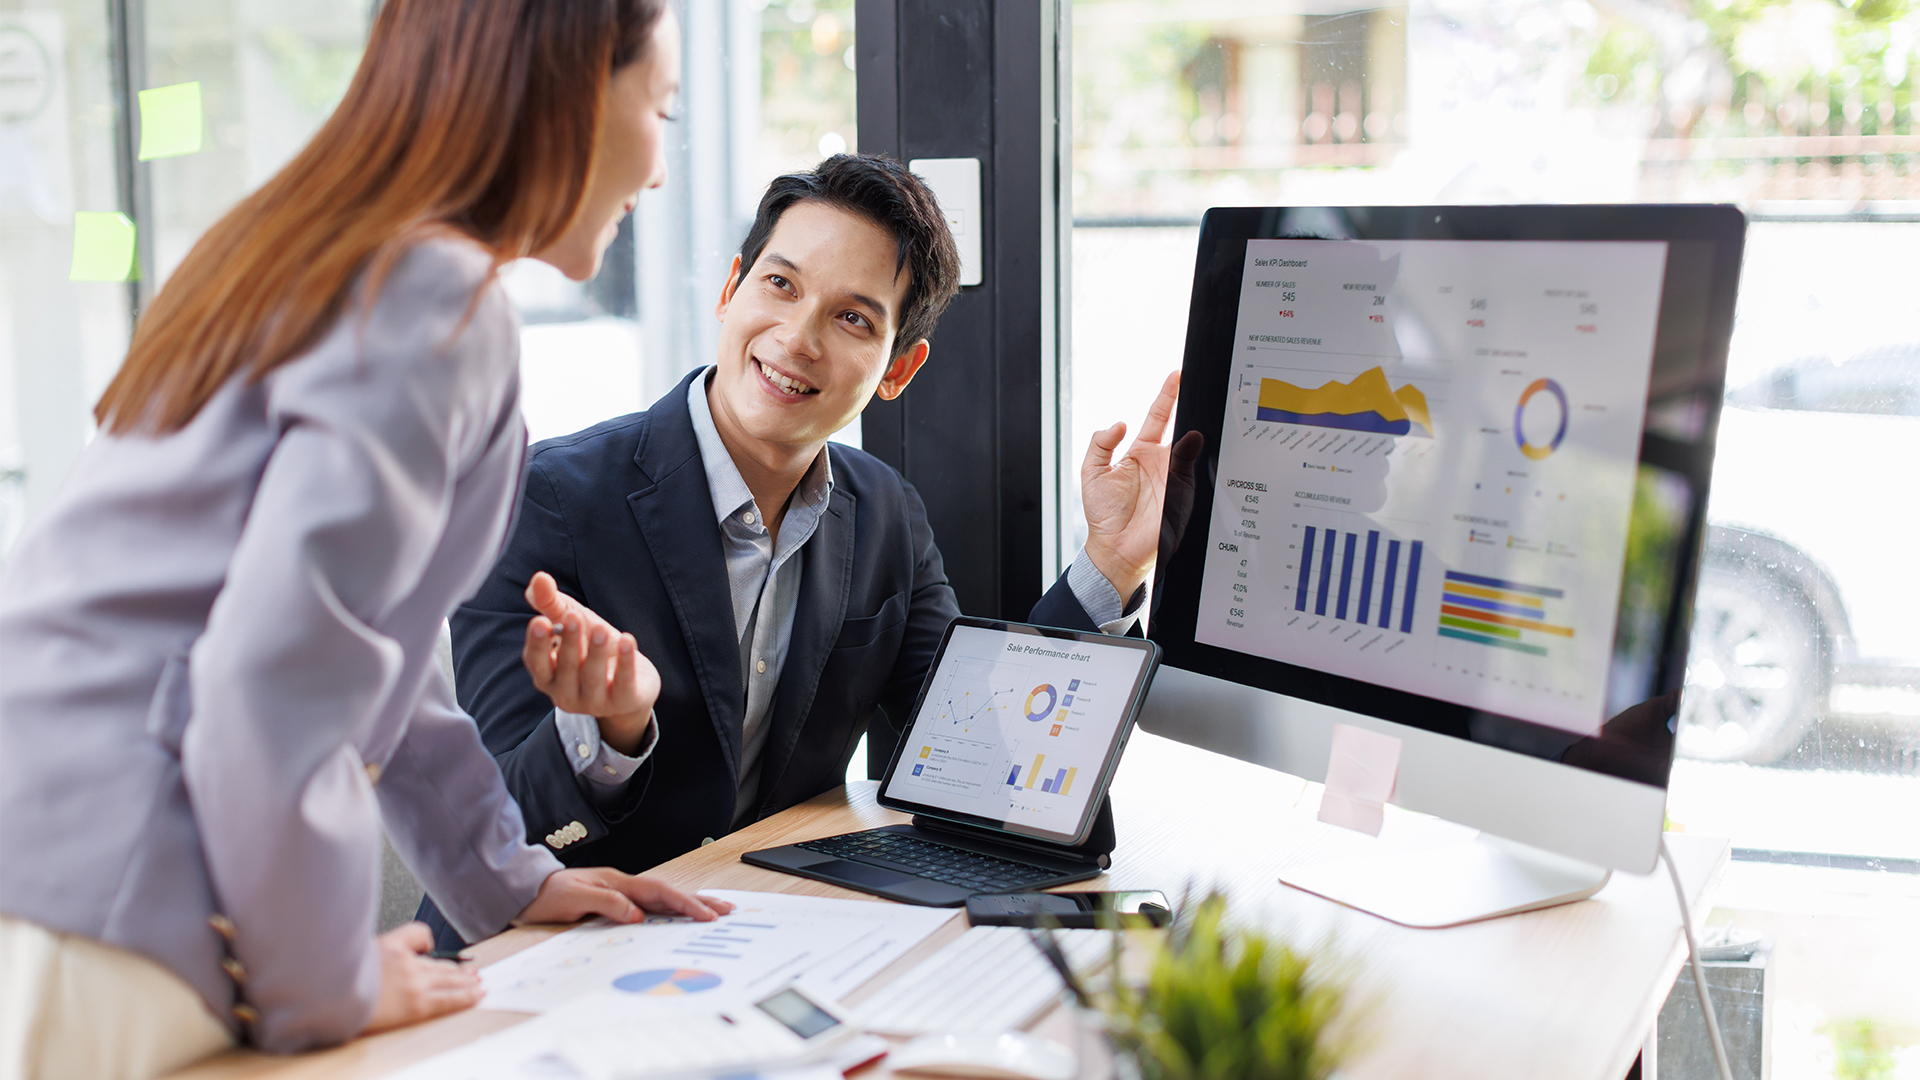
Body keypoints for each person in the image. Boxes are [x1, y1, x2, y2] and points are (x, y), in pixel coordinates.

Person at [0, 1, 736, 1074]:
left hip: (55, 852)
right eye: (661, 110)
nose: (661, 169)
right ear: (575, 91)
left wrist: (508, 876)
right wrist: (326, 981)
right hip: (121, 884)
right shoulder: (435, 302)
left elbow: (368, 665)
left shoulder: (312, 253)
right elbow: (275, 677)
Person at [418, 153, 1197, 948]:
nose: (797, 338)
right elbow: (486, 825)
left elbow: (980, 759)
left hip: (742, 938)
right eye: (780, 285)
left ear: (899, 368)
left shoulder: (886, 512)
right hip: (530, 944)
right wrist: (608, 733)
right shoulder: (540, 497)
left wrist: (1110, 566)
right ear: (731, 288)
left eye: (853, 318)